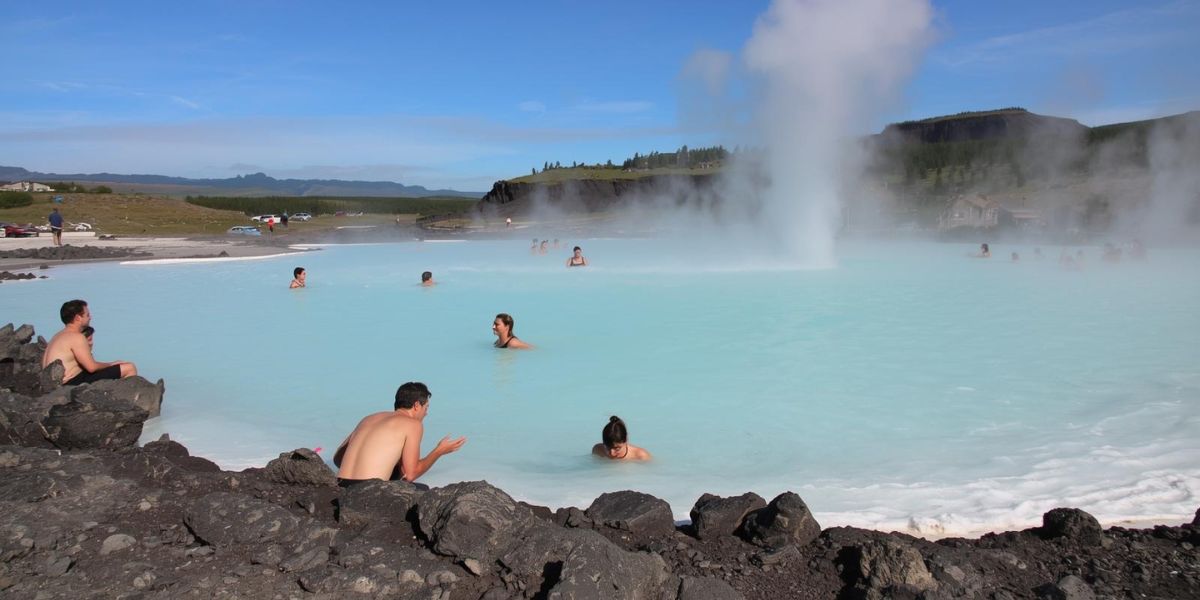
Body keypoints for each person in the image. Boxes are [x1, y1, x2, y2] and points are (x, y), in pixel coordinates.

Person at [333, 382, 466, 486]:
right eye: (426, 407)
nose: (426, 413)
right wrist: (439, 451)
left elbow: (337, 459)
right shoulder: (413, 425)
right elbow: (410, 474)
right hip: (366, 492)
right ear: (416, 405)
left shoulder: (369, 418)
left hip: (340, 484)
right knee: (422, 492)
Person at [42, 299, 138, 385]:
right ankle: (129, 401)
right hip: (69, 384)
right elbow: (91, 367)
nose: (90, 317)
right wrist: (111, 364)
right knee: (129, 367)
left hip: (56, 384)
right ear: (78, 318)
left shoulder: (57, 336)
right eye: (87, 315)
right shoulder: (76, 337)